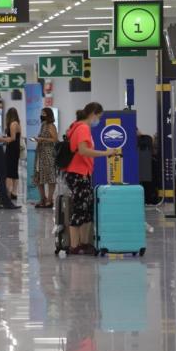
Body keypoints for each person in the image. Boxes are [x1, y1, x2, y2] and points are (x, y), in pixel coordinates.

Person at [64, 102, 117, 255]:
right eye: (98, 117)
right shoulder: (83, 128)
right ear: (93, 114)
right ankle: (74, 245)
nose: (98, 120)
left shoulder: (77, 126)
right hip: (78, 173)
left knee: (86, 208)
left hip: (81, 172)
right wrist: (105, 153)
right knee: (80, 208)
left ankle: (84, 243)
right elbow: (83, 150)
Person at [34, 107, 58, 208]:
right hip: (40, 153)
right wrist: (38, 140)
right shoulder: (43, 125)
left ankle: (49, 199)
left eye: (44, 113)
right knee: (39, 176)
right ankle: (42, 198)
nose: (42, 115)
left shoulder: (51, 126)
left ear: (49, 115)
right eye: (41, 113)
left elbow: (55, 139)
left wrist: (42, 139)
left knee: (50, 176)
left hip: (48, 154)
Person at [5, 108, 22, 201]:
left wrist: (4, 139)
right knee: (14, 171)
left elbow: (12, 138)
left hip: (11, 149)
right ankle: (14, 192)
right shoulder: (18, 123)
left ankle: (8, 192)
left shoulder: (12, 124)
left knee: (8, 172)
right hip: (16, 149)